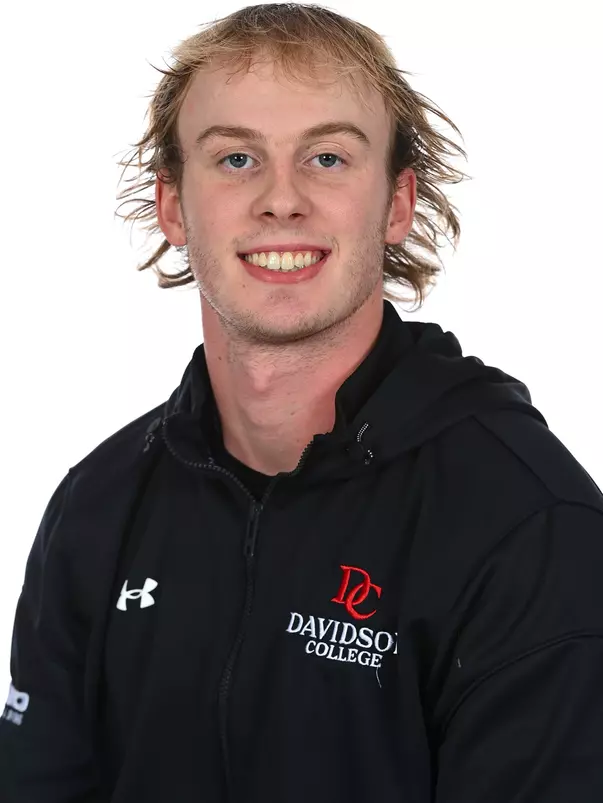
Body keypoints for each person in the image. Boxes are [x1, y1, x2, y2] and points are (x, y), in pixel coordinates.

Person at [2, 3, 603, 801]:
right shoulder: (98, 506)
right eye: (235, 159)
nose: (280, 200)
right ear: (174, 206)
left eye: (325, 158)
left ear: (395, 203)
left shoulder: (528, 526)